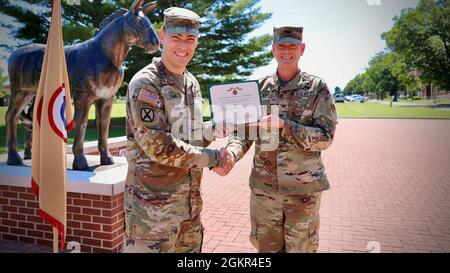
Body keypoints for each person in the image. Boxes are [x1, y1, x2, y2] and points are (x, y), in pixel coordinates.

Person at [216, 26, 338, 253]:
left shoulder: (318, 89)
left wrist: (286, 126)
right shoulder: (257, 90)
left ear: (302, 49)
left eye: (292, 46)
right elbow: (243, 134)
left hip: (303, 193)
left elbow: (325, 138)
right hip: (265, 193)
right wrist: (231, 154)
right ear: (273, 49)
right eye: (281, 46)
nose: (287, 51)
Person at [122, 7, 233, 253]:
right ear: (162, 36)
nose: (183, 46)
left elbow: (189, 134)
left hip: (189, 215)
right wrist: (215, 159)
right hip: (152, 219)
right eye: (176, 37)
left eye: (190, 39)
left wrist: (213, 130)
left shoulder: (191, 83)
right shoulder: (146, 84)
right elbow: (160, 147)